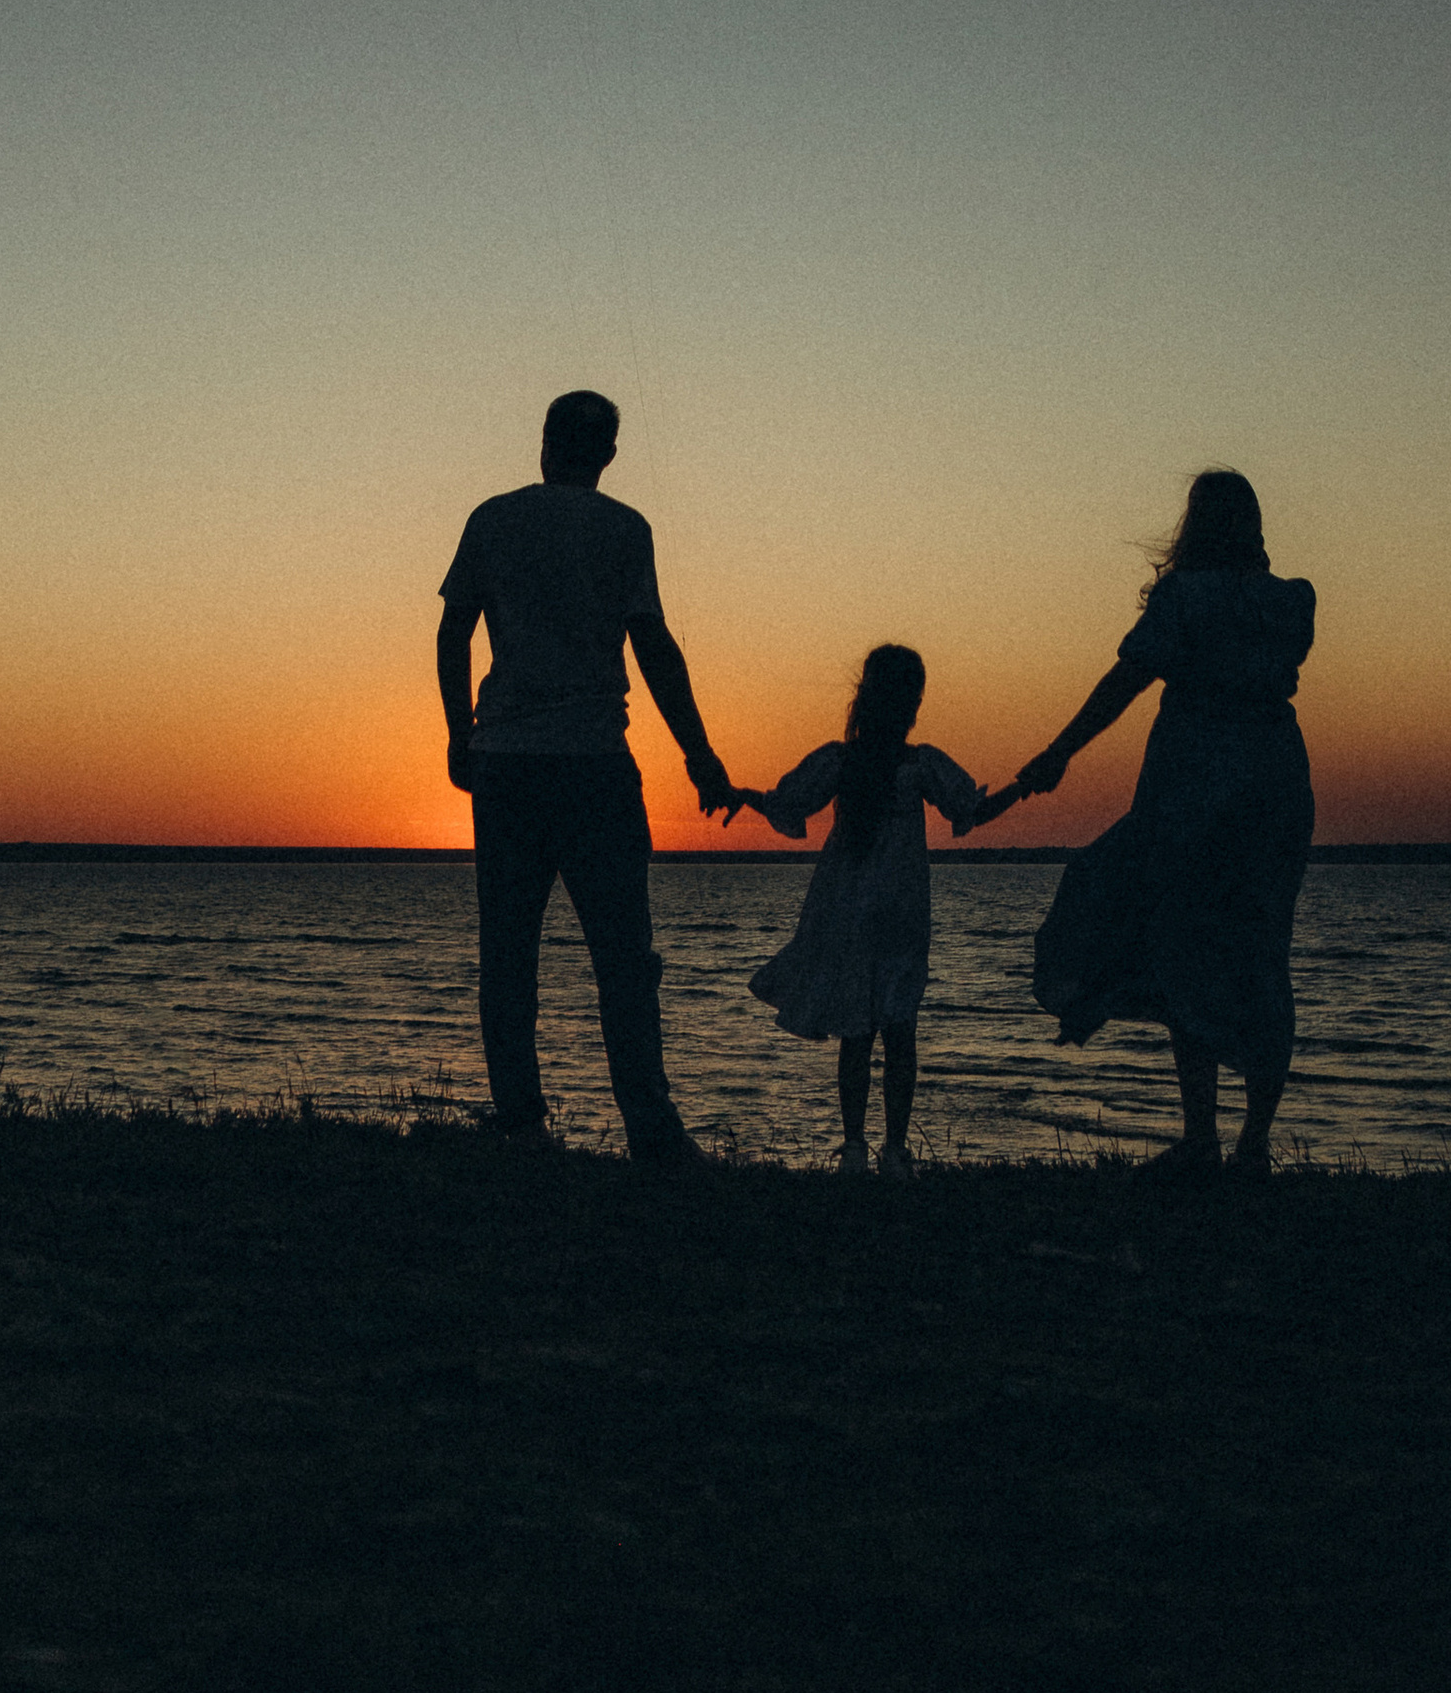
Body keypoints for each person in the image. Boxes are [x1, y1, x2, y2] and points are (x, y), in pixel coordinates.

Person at [437, 387, 732, 1165]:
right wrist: (699, 754)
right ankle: (650, 1125)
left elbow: (452, 630)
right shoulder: (626, 529)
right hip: (597, 763)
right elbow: (655, 647)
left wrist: (458, 731)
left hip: (507, 764)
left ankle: (523, 1120)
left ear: (544, 442)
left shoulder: (492, 518)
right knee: (623, 956)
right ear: (606, 453)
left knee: (508, 952)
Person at [1006, 469, 1315, 1181]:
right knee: (1262, 954)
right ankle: (1252, 1144)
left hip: (1195, 791)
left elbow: (1125, 681)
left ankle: (1205, 1137)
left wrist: (1058, 753)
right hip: (1274, 790)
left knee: (1184, 947)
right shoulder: (1292, 603)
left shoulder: (1186, 599)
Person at [722, 644, 1015, 1177]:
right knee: (898, 1031)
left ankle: (862, 1148)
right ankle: (889, 1151)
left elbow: (789, 802)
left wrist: (744, 795)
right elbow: (969, 808)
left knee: (861, 1032)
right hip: (895, 914)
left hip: (859, 912)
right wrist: (1023, 787)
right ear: (910, 703)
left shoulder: (857, 761)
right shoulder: (911, 763)